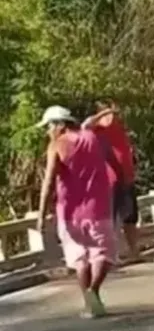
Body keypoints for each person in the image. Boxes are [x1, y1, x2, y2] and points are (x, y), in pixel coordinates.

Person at [36, 106, 124, 318]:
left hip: (69, 211)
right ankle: (94, 290)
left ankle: (89, 302)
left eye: (49, 126)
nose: (48, 131)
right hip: (99, 207)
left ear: (59, 125)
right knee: (102, 253)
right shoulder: (92, 137)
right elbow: (92, 123)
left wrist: (41, 214)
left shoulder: (57, 145)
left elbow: (48, 181)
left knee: (79, 258)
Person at [82, 99, 140, 264]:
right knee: (111, 219)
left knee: (130, 217)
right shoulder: (97, 130)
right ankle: (113, 255)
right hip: (109, 180)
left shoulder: (119, 128)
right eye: (107, 113)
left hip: (127, 178)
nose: (112, 116)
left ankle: (135, 252)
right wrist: (103, 114)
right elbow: (85, 126)